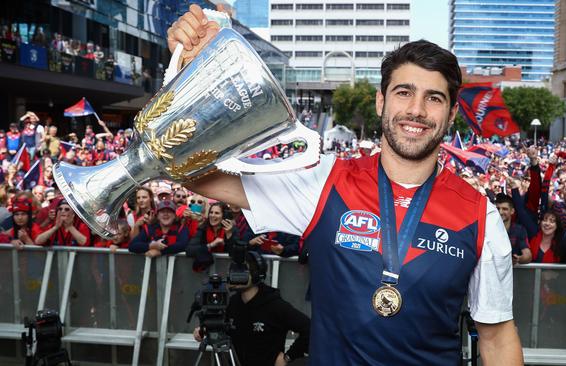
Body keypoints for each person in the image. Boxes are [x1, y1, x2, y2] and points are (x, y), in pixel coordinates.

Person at [170, 6, 523, 364]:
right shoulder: (325, 181)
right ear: (381, 101)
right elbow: (194, 174)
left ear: (450, 116)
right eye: (404, 92)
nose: (416, 110)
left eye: (434, 98)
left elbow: (496, 339)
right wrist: (192, 72)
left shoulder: (481, 215)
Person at [190, 251, 310, 366]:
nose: (234, 275)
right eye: (232, 270)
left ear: (256, 274)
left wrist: (288, 357)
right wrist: (205, 329)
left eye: (241, 271)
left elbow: (309, 329)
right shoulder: (232, 303)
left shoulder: (275, 306)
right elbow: (224, 327)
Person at [495, 193, 532, 265]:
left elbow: (528, 255)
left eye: (504, 209)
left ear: (512, 211)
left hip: (513, 274)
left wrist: (519, 259)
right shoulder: (489, 229)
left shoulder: (519, 230)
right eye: (498, 208)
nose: (500, 212)